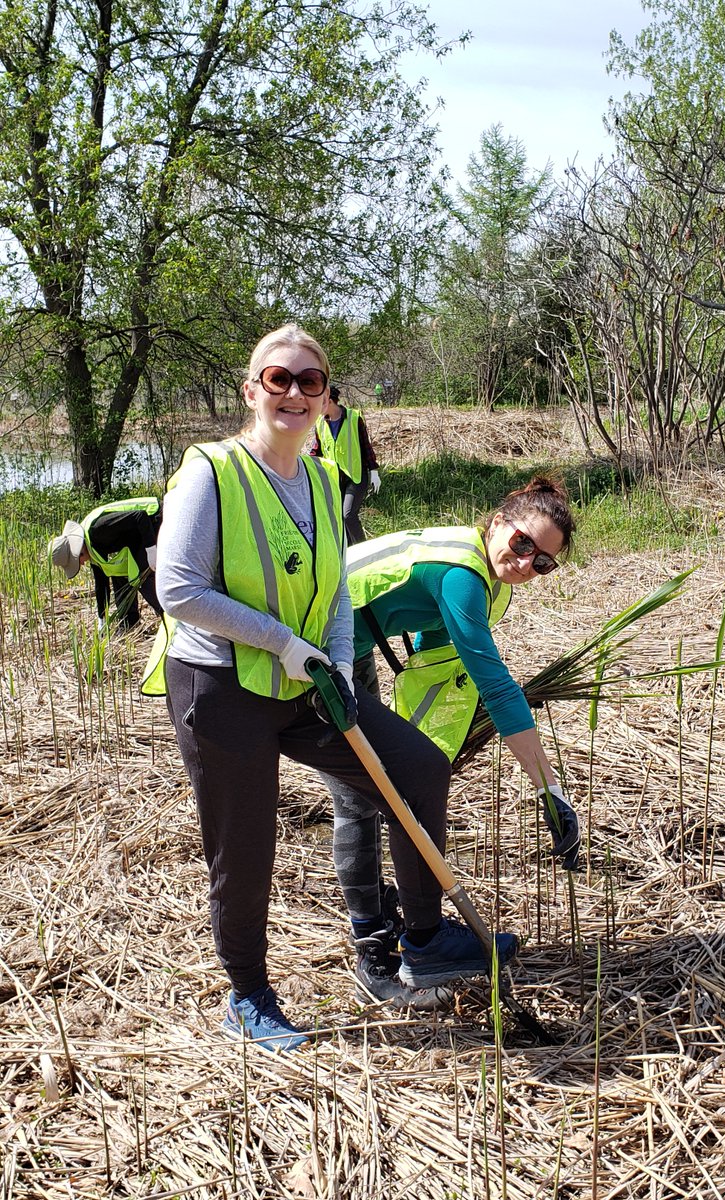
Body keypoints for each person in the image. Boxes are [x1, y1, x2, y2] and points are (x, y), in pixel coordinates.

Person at [142, 323, 516, 1052]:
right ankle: (247, 993)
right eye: (278, 379)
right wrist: (284, 644)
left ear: (324, 397)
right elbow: (179, 588)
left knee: (415, 767)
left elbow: (335, 589)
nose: (293, 392)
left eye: (309, 381)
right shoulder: (210, 472)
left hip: (307, 682)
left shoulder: (319, 475)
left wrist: (337, 666)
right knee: (244, 847)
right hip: (220, 688)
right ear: (252, 390)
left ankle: (424, 939)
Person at [332, 476, 581, 1009]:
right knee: (359, 798)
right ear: (497, 523)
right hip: (311, 639)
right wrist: (548, 789)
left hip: (351, 641)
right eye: (522, 544)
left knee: (390, 786)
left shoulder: (488, 581)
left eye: (542, 562)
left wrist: (423, 749)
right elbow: (496, 686)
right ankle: (373, 952)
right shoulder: (464, 577)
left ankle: (402, 924)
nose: (526, 562)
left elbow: (428, 649)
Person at [48, 498, 163, 631]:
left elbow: (140, 516)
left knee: (143, 578)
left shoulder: (97, 530)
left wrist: (151, 549)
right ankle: (129, 626)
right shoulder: (92, 549)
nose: (82, 563)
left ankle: (173, 618)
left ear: (78, 551)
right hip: (136, 537)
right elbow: (101, 584)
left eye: (76, 561)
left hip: (155, 519)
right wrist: (102, 618)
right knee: (119, 574)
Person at [308, 384, 381, 545]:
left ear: (330, 401)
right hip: (335, 479)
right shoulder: (320, 423)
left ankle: (364, 549)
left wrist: (374, 470)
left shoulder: (354, 418)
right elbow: (316, 452)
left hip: (355, 476)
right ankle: (348, 553)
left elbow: (365, 446)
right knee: (339, 519)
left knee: (348, 515)